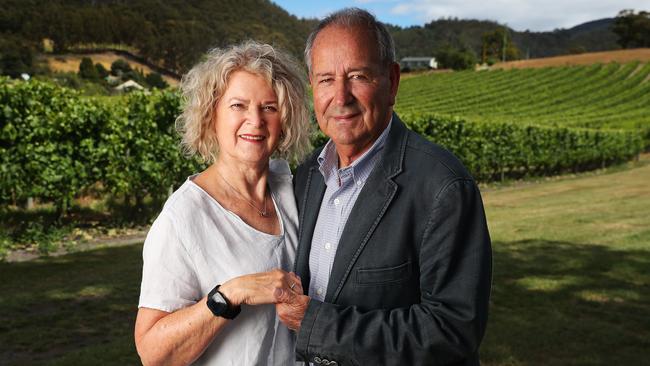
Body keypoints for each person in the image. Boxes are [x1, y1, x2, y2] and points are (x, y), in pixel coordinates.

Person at [276, 8, 492, 366]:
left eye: (357, 76)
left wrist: (315, 324)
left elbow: (453, 331)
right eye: (326, 79)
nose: (340, 96)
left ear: (392, 81)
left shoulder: (442, 186)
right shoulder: (305, 177)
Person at [134, 41, 311, 365]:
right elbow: (152, 353)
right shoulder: (182, 219)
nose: (255, 120)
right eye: (238, 105)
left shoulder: (290, 189)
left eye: (269, 107)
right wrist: (231, 293)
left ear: (284, 119)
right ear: (211, 115)